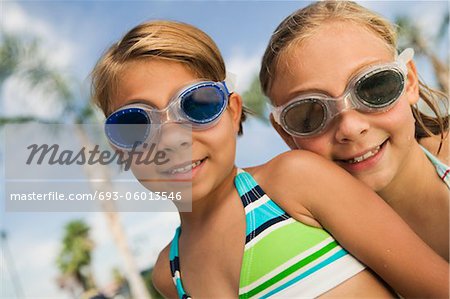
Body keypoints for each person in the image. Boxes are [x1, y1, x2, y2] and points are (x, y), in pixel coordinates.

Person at [91, 20, 448, 298]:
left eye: (197, 105)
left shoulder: (295, 181)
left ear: (232, 113)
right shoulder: (169, 275)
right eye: (135, 123)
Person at [260, 1, 450, 261]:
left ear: (409, 83)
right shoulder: (311, 250)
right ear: (285, 134)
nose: (350, 127)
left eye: (373, 88)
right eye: (310, 114)